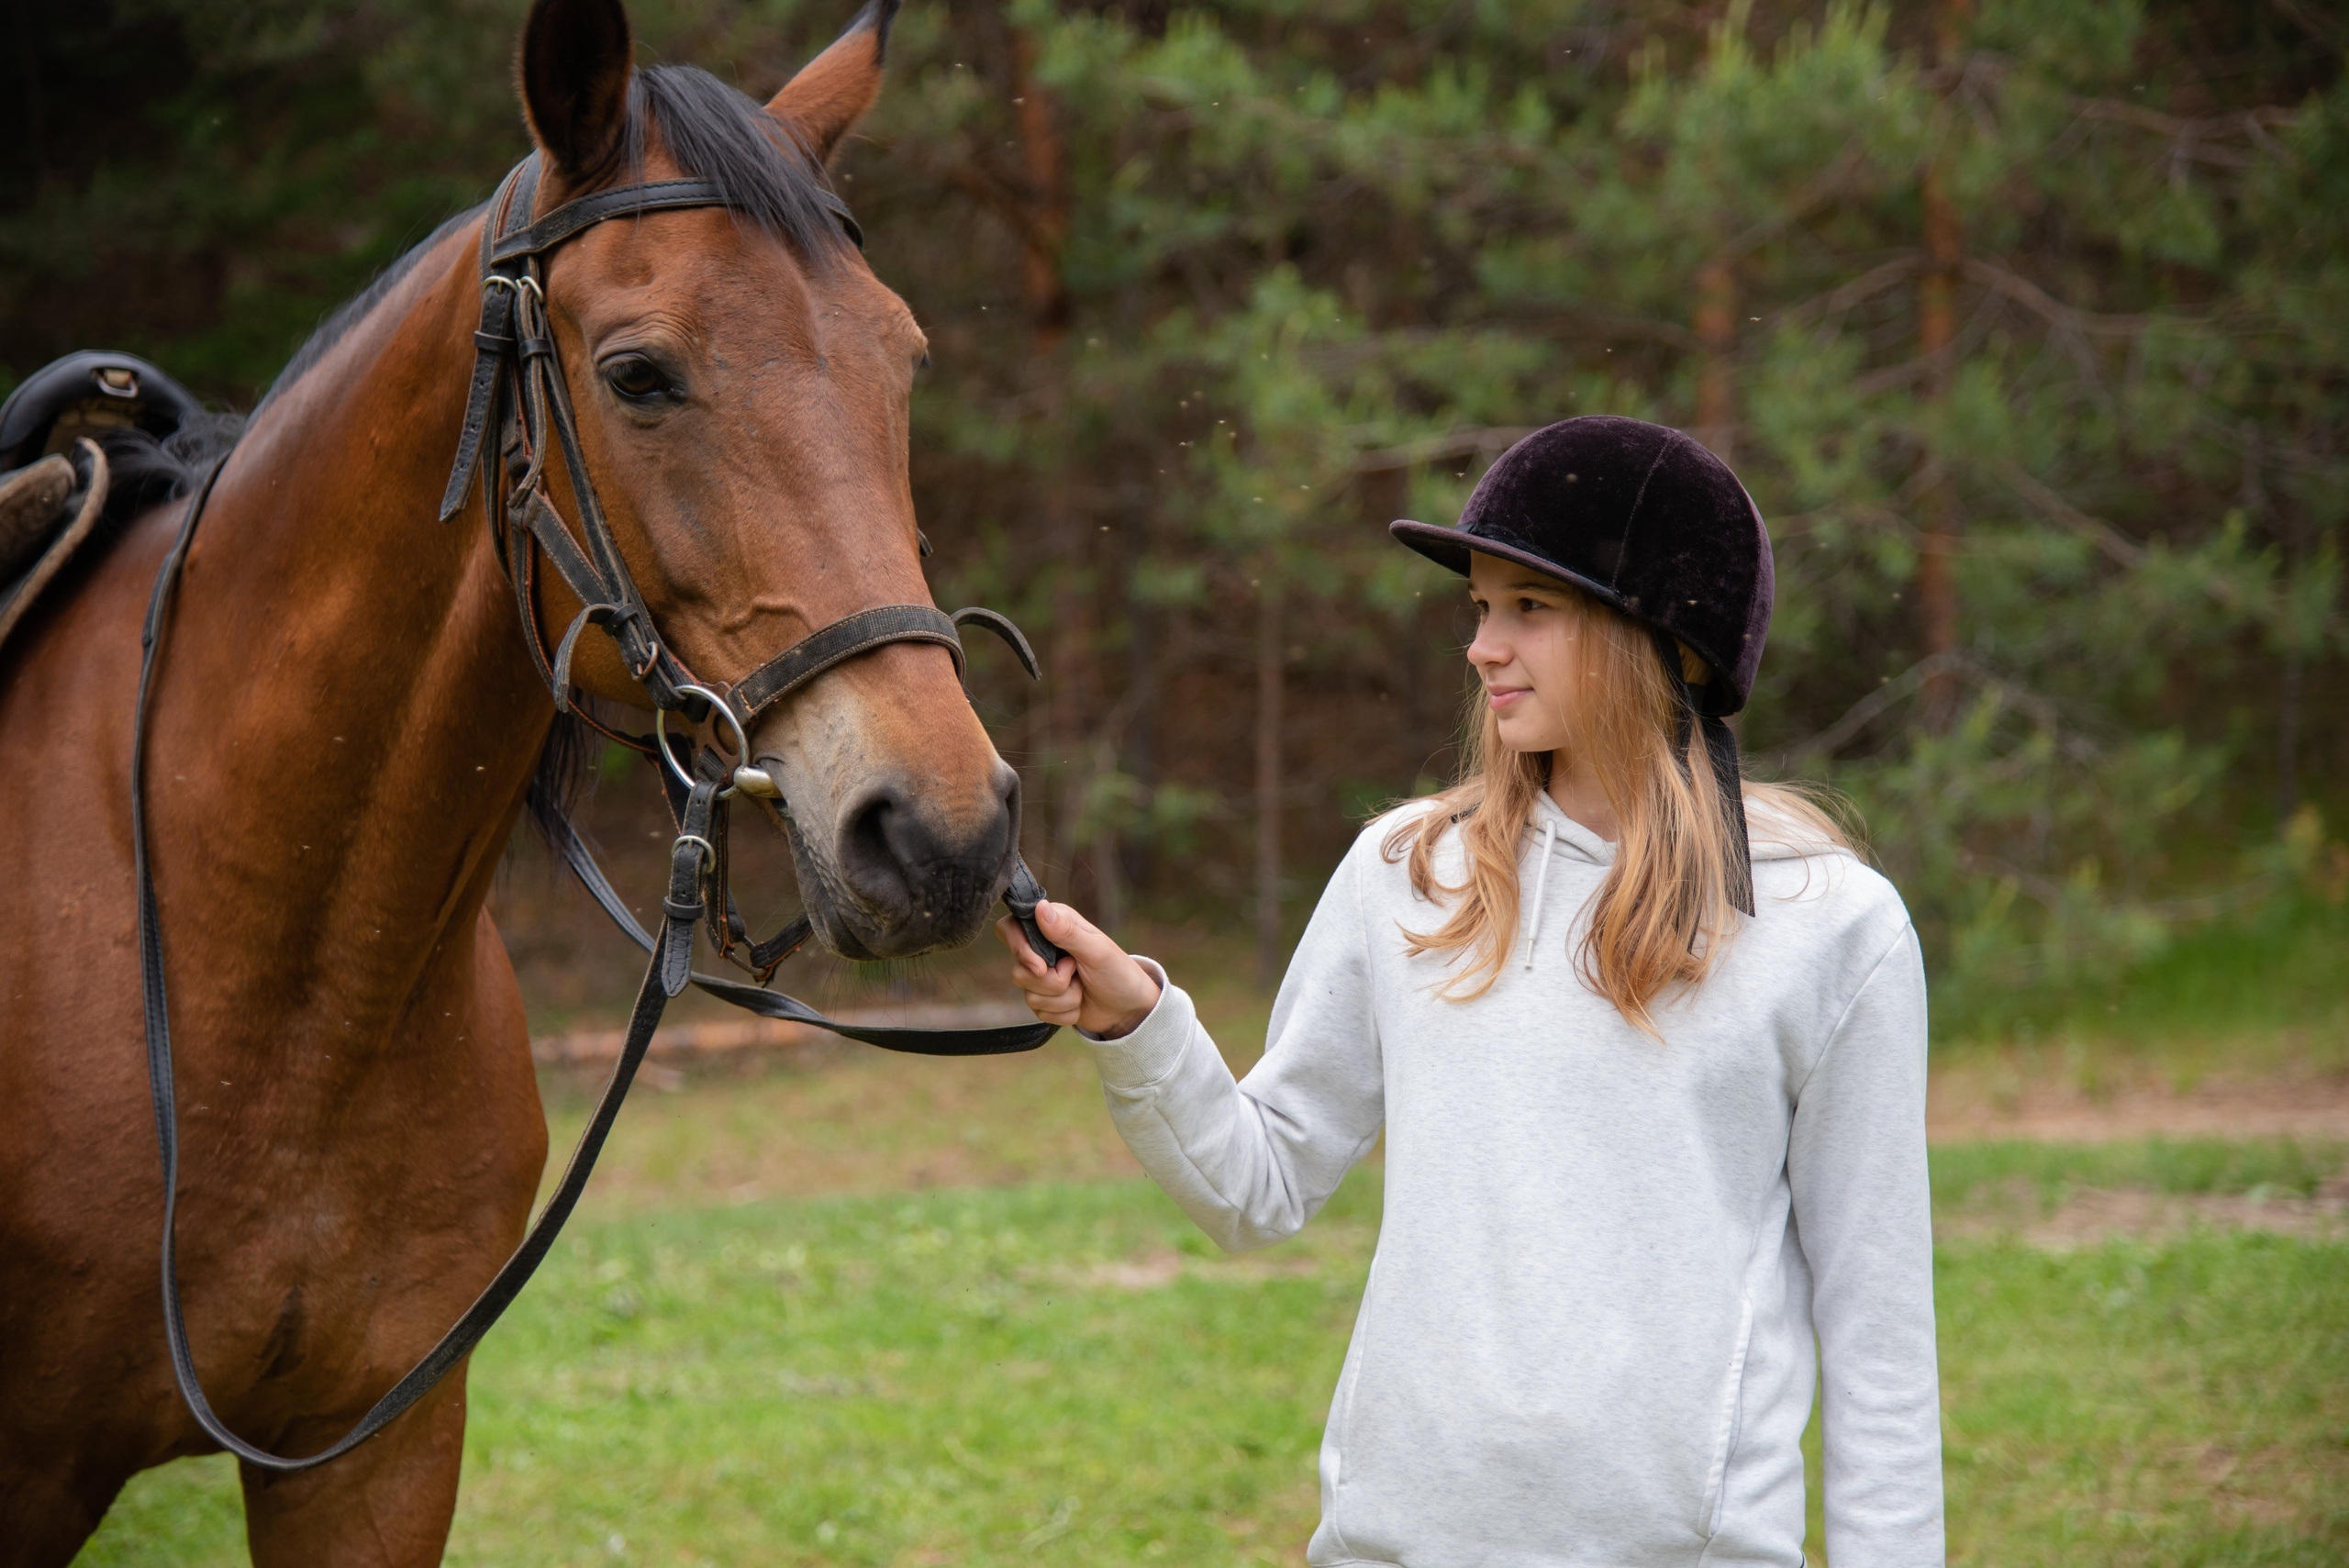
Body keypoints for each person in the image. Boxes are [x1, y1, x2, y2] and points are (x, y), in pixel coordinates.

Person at [998, 416, 1943, 1568]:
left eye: (1529, 608)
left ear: (1665, 638)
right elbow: (1258, 1182)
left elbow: (1879, 1342)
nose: (1482, 646)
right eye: (1480, 607)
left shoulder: (1829, 929)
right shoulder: (1410, 874)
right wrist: (1138, 1024)